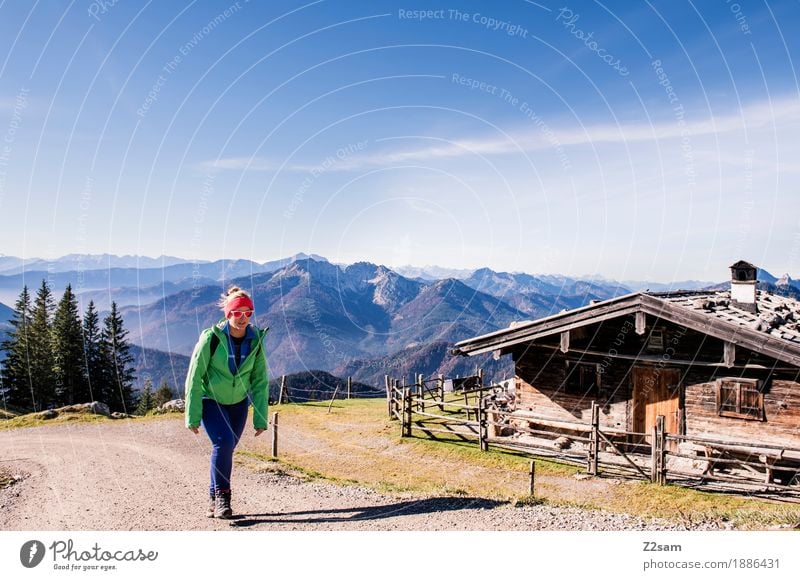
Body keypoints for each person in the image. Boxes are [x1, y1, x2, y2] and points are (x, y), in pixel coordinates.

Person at [185, 287, 269, 519]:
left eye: (248, 313)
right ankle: (223, 497)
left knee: (227, 448)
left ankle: (213, 496)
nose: (243, 318)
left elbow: (260, 380)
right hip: (211, 400)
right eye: (237, 313)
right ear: (227, 313)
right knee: (223, 444)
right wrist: (192, 415)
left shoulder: (256, 340)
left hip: (239, 404)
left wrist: (261, 418)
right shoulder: (211, 339)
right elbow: (194, 376)